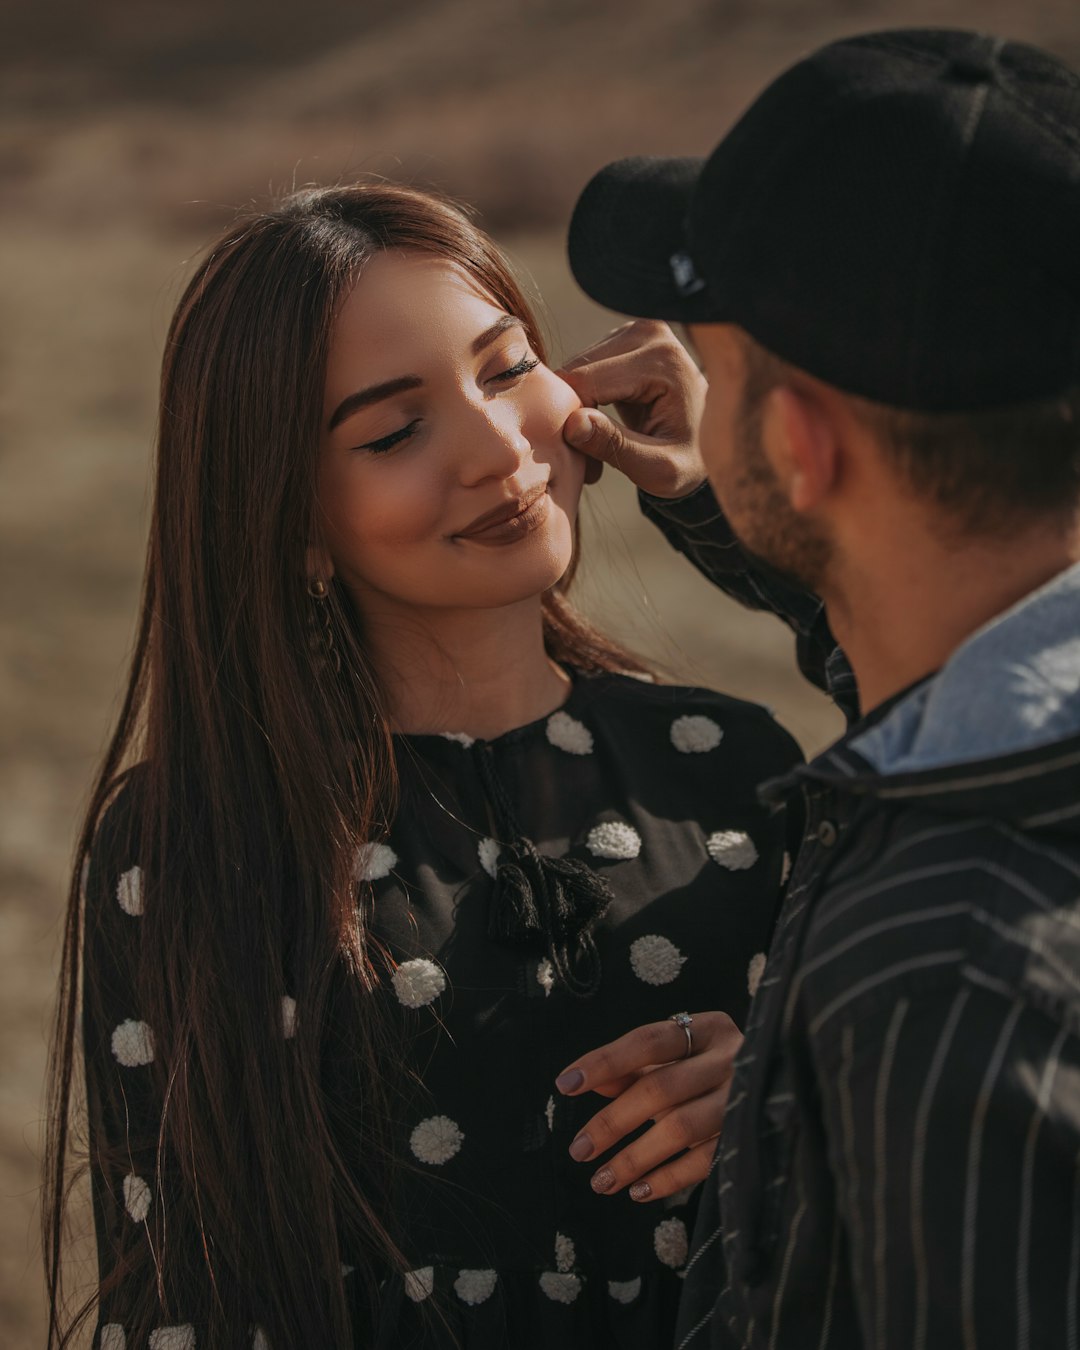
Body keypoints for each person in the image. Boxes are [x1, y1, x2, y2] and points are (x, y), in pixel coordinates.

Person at [42, 181, 803, 1350]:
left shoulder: (735, 772)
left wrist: (787, 1107)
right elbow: (178, 1305)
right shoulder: (197, 840)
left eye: (506, 371)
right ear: (291, 517)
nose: (498, 447)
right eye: (395, 431)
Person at [554, 26, 1080, 1349]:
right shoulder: (1012, 745)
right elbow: (938, 659)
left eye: (722, 369)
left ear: (798, 442)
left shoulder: (949, 967)